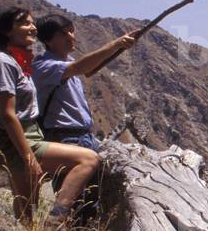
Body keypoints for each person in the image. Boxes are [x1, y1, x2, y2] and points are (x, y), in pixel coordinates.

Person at [0, 7, 100, 224]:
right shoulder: (3, 62)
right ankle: (56, 218)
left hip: (15, 138)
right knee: (88, 159)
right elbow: (8, 115)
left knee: (27, 209)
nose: (32, 27)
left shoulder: (10, 61)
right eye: (24, 23)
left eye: (32, 23)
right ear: (7, 31)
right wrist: (29, 158)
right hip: (16, 139)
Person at [31, 15, 138, 214]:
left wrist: (119, 47)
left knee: (91, 198)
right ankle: (60, 227)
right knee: (76, 199)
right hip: (65, 138)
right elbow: (82, 67)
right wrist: (117, 44)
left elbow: (85, 68)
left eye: (71, 31)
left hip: (81, 137)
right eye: (64, 33)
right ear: (48, 40)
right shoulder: (44, 66)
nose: (71, 36)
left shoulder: (65, 63)